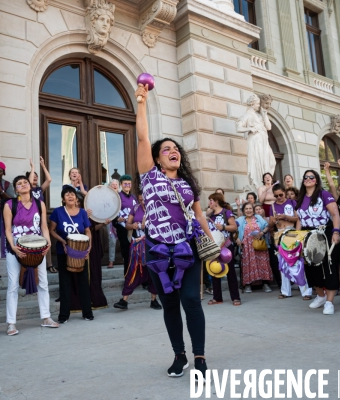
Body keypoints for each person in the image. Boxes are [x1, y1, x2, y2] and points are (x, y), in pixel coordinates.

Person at [136, 83, 213, 380]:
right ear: (156, 158)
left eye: (176, 148)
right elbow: (143, 136)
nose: (173, 151)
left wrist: (211, 244)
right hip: (157, 251)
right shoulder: (149, 176)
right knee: (169, 303)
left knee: (191, 300)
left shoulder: (187, 185)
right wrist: (141, 101)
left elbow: (198, 216)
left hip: (187, 250)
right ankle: (179, 355)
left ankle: (200, 355)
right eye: (166, 149)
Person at [3, 175, 57, 335]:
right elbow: (7, 229)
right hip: (16, 248)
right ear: (15, 189)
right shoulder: (9, 204)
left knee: (43, 282)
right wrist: (13, 246)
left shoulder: (40, 204)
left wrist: (48, 243)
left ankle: (46, 317)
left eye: (25, 182)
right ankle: (11, 323)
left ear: (30, 186)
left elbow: (44, 227)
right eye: (19, 183)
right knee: (13, 285)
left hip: (37, 248)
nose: (23, 184)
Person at [295, 170, 340, 315]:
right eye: (306, 177)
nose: (308, 179)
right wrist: (297, 237)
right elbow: (299, 220)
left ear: (316, 180)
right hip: (307, 235)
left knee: (328, 267)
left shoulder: (324, 194)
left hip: (324, 233)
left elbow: (335, 214)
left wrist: (336, 231)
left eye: (311, 177)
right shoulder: (301, 198)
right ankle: (321, 296)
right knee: (311, 268)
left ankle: (329, 302)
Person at [49, 185, 94, 323]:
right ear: (63, 198)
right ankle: (64, 315)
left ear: (76, 198)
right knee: (65, 283)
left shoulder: (82, 212)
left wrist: (89, 247)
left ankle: (87, 313)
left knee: (83, 283)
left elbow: (87, 231)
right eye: (67, 194)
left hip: (80, 252)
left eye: (72, 194)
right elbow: (51, 230)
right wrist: (62, 240)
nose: (70, 196)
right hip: (64, 252)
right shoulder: (58, 212)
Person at [114, 193, 162, 310]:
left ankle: (154, 300)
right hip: (138, 246)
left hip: (152, 246)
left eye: (144, 200)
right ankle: (124, 301)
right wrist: (133, 226)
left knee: (153, 272)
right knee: (133, 271)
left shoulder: (157, 209)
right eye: (140, 200)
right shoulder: (135, 208)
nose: (142, 202)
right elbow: (127, 225)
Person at [269, 184, 311, 300]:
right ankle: (285, 291)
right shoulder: (272, 206)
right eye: (276, 196)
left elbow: (298, 219)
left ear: (284, 193)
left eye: (281, 195)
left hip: (291, 233)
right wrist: (273, 220)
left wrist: (285, 217)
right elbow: (270, 225)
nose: (279, 197)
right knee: (282, 264)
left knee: (297, 262)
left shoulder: (292, 203)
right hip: (279, 235)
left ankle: (306, 291)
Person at [206, 193, 241, 306]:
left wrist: (223, 227)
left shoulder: (226, 212)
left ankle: (235, 297)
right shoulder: (210, 216)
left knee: (230, 272)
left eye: (211, 200)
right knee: (214, 271)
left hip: (226, 245)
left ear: (216, 201)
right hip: (214, 246)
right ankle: (217, 297)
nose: (209, 203)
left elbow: (234, 226)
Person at [236, 202, 270, 293]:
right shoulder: (240, 220)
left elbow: (267, 226)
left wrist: (262, 233)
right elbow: (233, 230)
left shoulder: (258, 218)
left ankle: (265, 284)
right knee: (248, 264)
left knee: (262, 263)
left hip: (259, 244)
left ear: (253, 210)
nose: (248, 210)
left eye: (250, 208)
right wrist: (237, 239)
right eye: (246, 209)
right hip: (246, 246)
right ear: (243, 211)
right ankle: (248, 285)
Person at [27, 157, 54, 272]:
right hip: (31, 219)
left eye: (36, 177)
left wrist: (43, 166)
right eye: (33, 176)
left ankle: (49, 264)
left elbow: (49, 180)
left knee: (46, 241)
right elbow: (28, 181)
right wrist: (32, 167)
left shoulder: (39, 189)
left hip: (41, 219)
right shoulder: (27, 190)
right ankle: (35, 263)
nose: (35, 178)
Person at [114, 175, 136, 276]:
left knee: (136, 252)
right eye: (125, 184)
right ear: (121, 185)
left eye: (129, 183)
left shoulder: (134, 197)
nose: (127, 185)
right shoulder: (117, 197)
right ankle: (128, 279)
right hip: (123, 229)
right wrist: (116, 219)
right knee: (126, 254)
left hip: (134, 229)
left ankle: (138, 279)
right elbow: (112, 212)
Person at [106, 179, 119, 268]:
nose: (114, 186)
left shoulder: (121, 196)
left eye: (116, 185)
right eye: (112, 184)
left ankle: (127, 259)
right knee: (112, 241)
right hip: (110, 221)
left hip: (121, 221)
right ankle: (111, 261)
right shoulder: (106, 196)